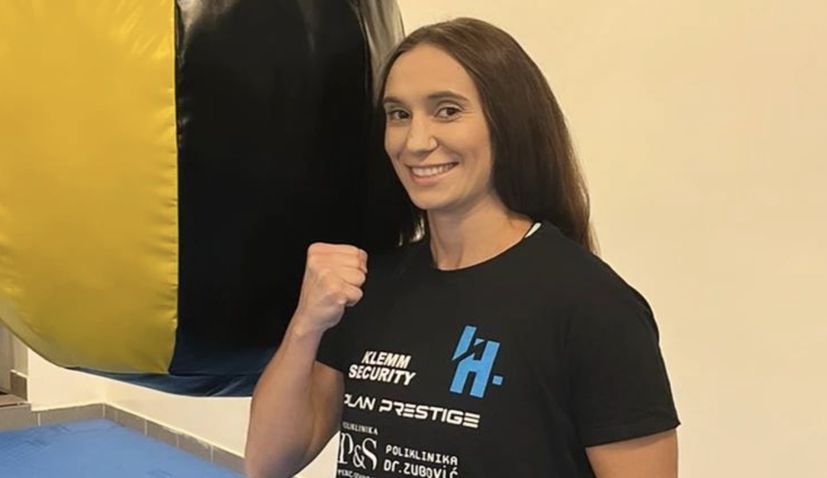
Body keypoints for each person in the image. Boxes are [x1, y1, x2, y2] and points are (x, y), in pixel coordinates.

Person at [245, 17, 680, 478]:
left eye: (447, 111)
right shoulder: (372, 288)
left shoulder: (594, 307)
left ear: (506, 123)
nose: (416, 142)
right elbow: (267, 463)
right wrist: (306, 323)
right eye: (399, 114)